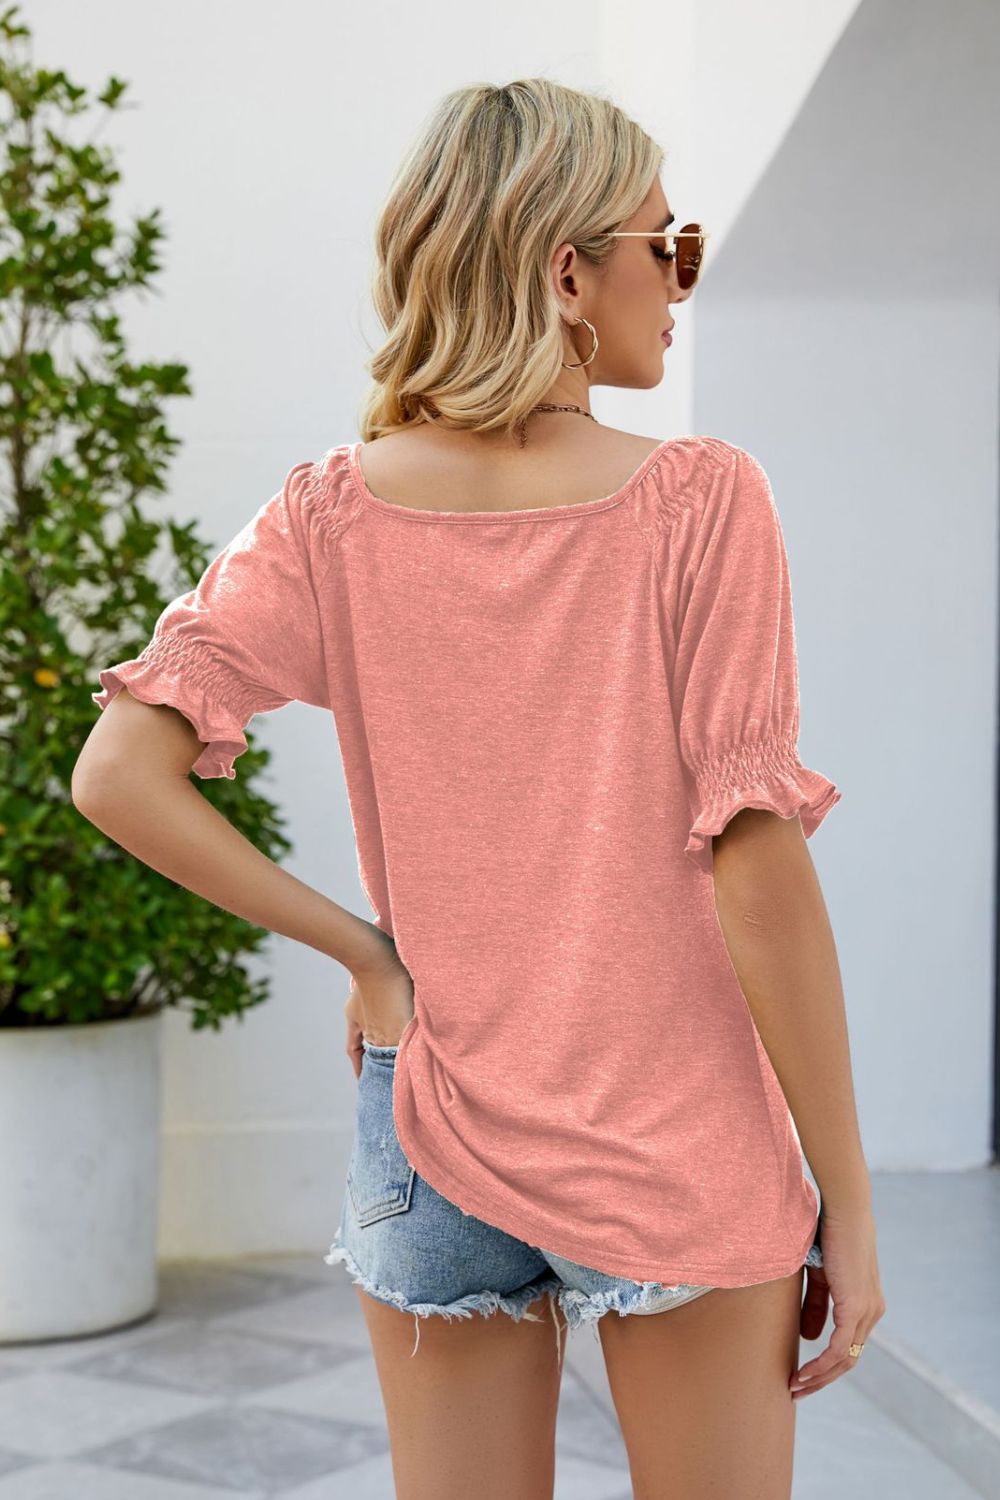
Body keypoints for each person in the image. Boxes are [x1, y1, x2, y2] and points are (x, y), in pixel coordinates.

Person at [72, 77, 885, 1500]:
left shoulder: (330, 514)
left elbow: (116, 771)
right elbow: (757, 865)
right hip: (673, 1127)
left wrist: (368, 956)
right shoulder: (702, 502)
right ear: (567, 274)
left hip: (432, 1111)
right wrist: (852, 1205)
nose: (679, 281)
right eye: (667, 246)